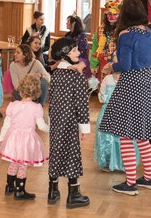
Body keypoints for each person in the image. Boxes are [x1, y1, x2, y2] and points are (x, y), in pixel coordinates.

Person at [100, 0, 151, 196]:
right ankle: (149, 178)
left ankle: (129, 183)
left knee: (126, 135)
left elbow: (125, 65)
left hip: (131, 83)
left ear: (124, 15)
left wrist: (111, 67)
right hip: (148, 81)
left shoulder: (126, 35)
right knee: (142, 135)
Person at [47, 37, 90, 208]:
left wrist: (52, 120)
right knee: (72, 153)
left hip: (57, 121)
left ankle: (52, 190)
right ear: (64, 55)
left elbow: (52, 101)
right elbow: (82, 105)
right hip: (71, 122)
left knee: (56, 152)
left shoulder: (56, 74)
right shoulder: (76, 77)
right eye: (74, 51)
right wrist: (84, 127)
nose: (78, 53)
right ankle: (73, 194)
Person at [0, 74, 49, 200]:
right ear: (36, 92)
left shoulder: (13, 105)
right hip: (27, 140)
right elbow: (41, 126)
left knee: (14, 163)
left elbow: (6, 124)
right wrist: (51, 129)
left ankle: (9, 186)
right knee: (23, 165)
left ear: (20, 91)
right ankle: (20, 191)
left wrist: (2, 138)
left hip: (13, 138)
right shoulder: (36, 108)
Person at [95, 73, 140, 172]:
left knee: (122, 138)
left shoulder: (129, 77)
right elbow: (101, 97)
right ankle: (110, 162)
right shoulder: (109, 78)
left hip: (120, 112)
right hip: (112, 112)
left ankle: (124, 162)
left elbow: (102, 97)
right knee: (107, 137)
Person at [89, 0, 120, 82]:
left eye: (115, 14)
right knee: (103, 89)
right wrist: (93, 65)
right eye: (109, 14)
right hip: (103, 64)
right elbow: (95, 48)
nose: (112, 17)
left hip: (117, 64)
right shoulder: (100, 29)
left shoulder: (122, 30)